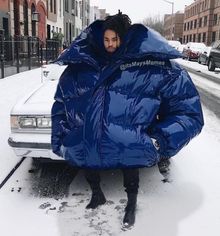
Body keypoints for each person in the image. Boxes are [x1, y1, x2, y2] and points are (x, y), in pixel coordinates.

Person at [51, 12, 204, 228]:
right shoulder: (80, 66)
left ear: (124, 38)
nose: (110, 44)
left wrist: (158, 141)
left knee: (130, 166)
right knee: (88, 161)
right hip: (86, 139)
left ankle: (131, 205)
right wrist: (62, 137)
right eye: (106, 40)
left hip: (130, 142)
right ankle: (97, 194)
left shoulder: (153, 66)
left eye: (115, 40)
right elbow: (60, 105)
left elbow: (188, 112)